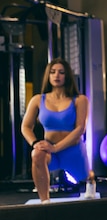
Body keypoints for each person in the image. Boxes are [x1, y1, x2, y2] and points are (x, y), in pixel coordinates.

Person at [21, 58, 90, 203]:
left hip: (73, 150)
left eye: (61, 72)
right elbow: (25, 127)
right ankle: (45, 202)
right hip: (49, 150)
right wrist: (35, 143)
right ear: (48, 76)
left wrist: (56, 148)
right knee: (37, 154)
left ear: (67, 76)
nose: (56, 75)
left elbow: (80, 129)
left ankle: (91, 181)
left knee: (88, 178)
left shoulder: (80, 100)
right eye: (52, 72)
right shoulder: (38, 100)